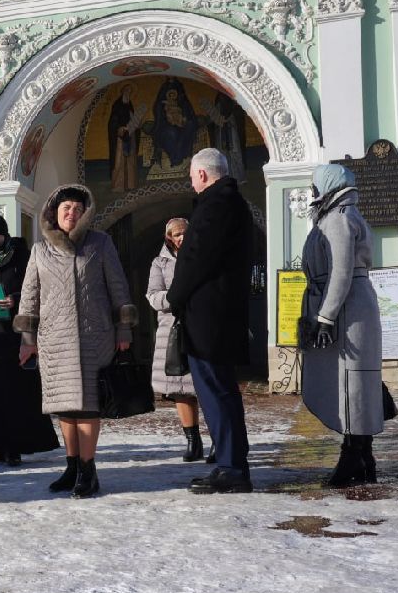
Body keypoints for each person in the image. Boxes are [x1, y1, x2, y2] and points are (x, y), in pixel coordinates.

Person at [14, 185, 136, 497]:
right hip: (54, 341)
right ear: (53, 212)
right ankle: (71, 467)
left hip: (95, 338)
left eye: (77, 209)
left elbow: (119, 288)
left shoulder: (100, 244)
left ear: (85, 214)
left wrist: (124, 330)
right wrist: (28, 339)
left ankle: (88, 470)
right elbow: (30, 296)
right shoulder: (40, 251)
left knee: (89, 408)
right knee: (64, 408)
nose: (71, 213)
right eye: (66, 207)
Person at [167, 148, 254, 494]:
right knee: (222, 391)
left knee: (216, 391)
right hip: (218, 315)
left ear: (202, 175)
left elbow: (196, 259)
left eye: (191, 176)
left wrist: (175, 298)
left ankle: (232, 466)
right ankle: (232, 462)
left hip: (208, 318)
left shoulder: (215, 205)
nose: (191, 183)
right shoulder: (233, 203)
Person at [299, 164, 383, 487]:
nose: (312, 191)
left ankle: (354, 459)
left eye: (315, 185)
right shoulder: (344, 213)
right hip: (354, 307)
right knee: (356, 384)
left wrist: (325, 317)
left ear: (328, 186)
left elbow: (341, 271)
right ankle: (362, 458)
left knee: (350, 384)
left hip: (346, 310)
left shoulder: (337, 218)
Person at [0, 214, 59, 466]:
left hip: (17, 334)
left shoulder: (22, 255)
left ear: (0, 232)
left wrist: (15, 299)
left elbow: (37, 288)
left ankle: (17, 446)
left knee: (16, 393)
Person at [146, 218, 213, 463]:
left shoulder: (204, 256)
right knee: (180, 390)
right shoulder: (159, 263)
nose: (181, 237)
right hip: (172, 332)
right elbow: (153, 297)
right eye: (176, 234)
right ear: (168, 238)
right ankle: (192, 441)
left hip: (201, 327)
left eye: (184, 233)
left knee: (206, 387)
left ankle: (217, 439)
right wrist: (176, 297)